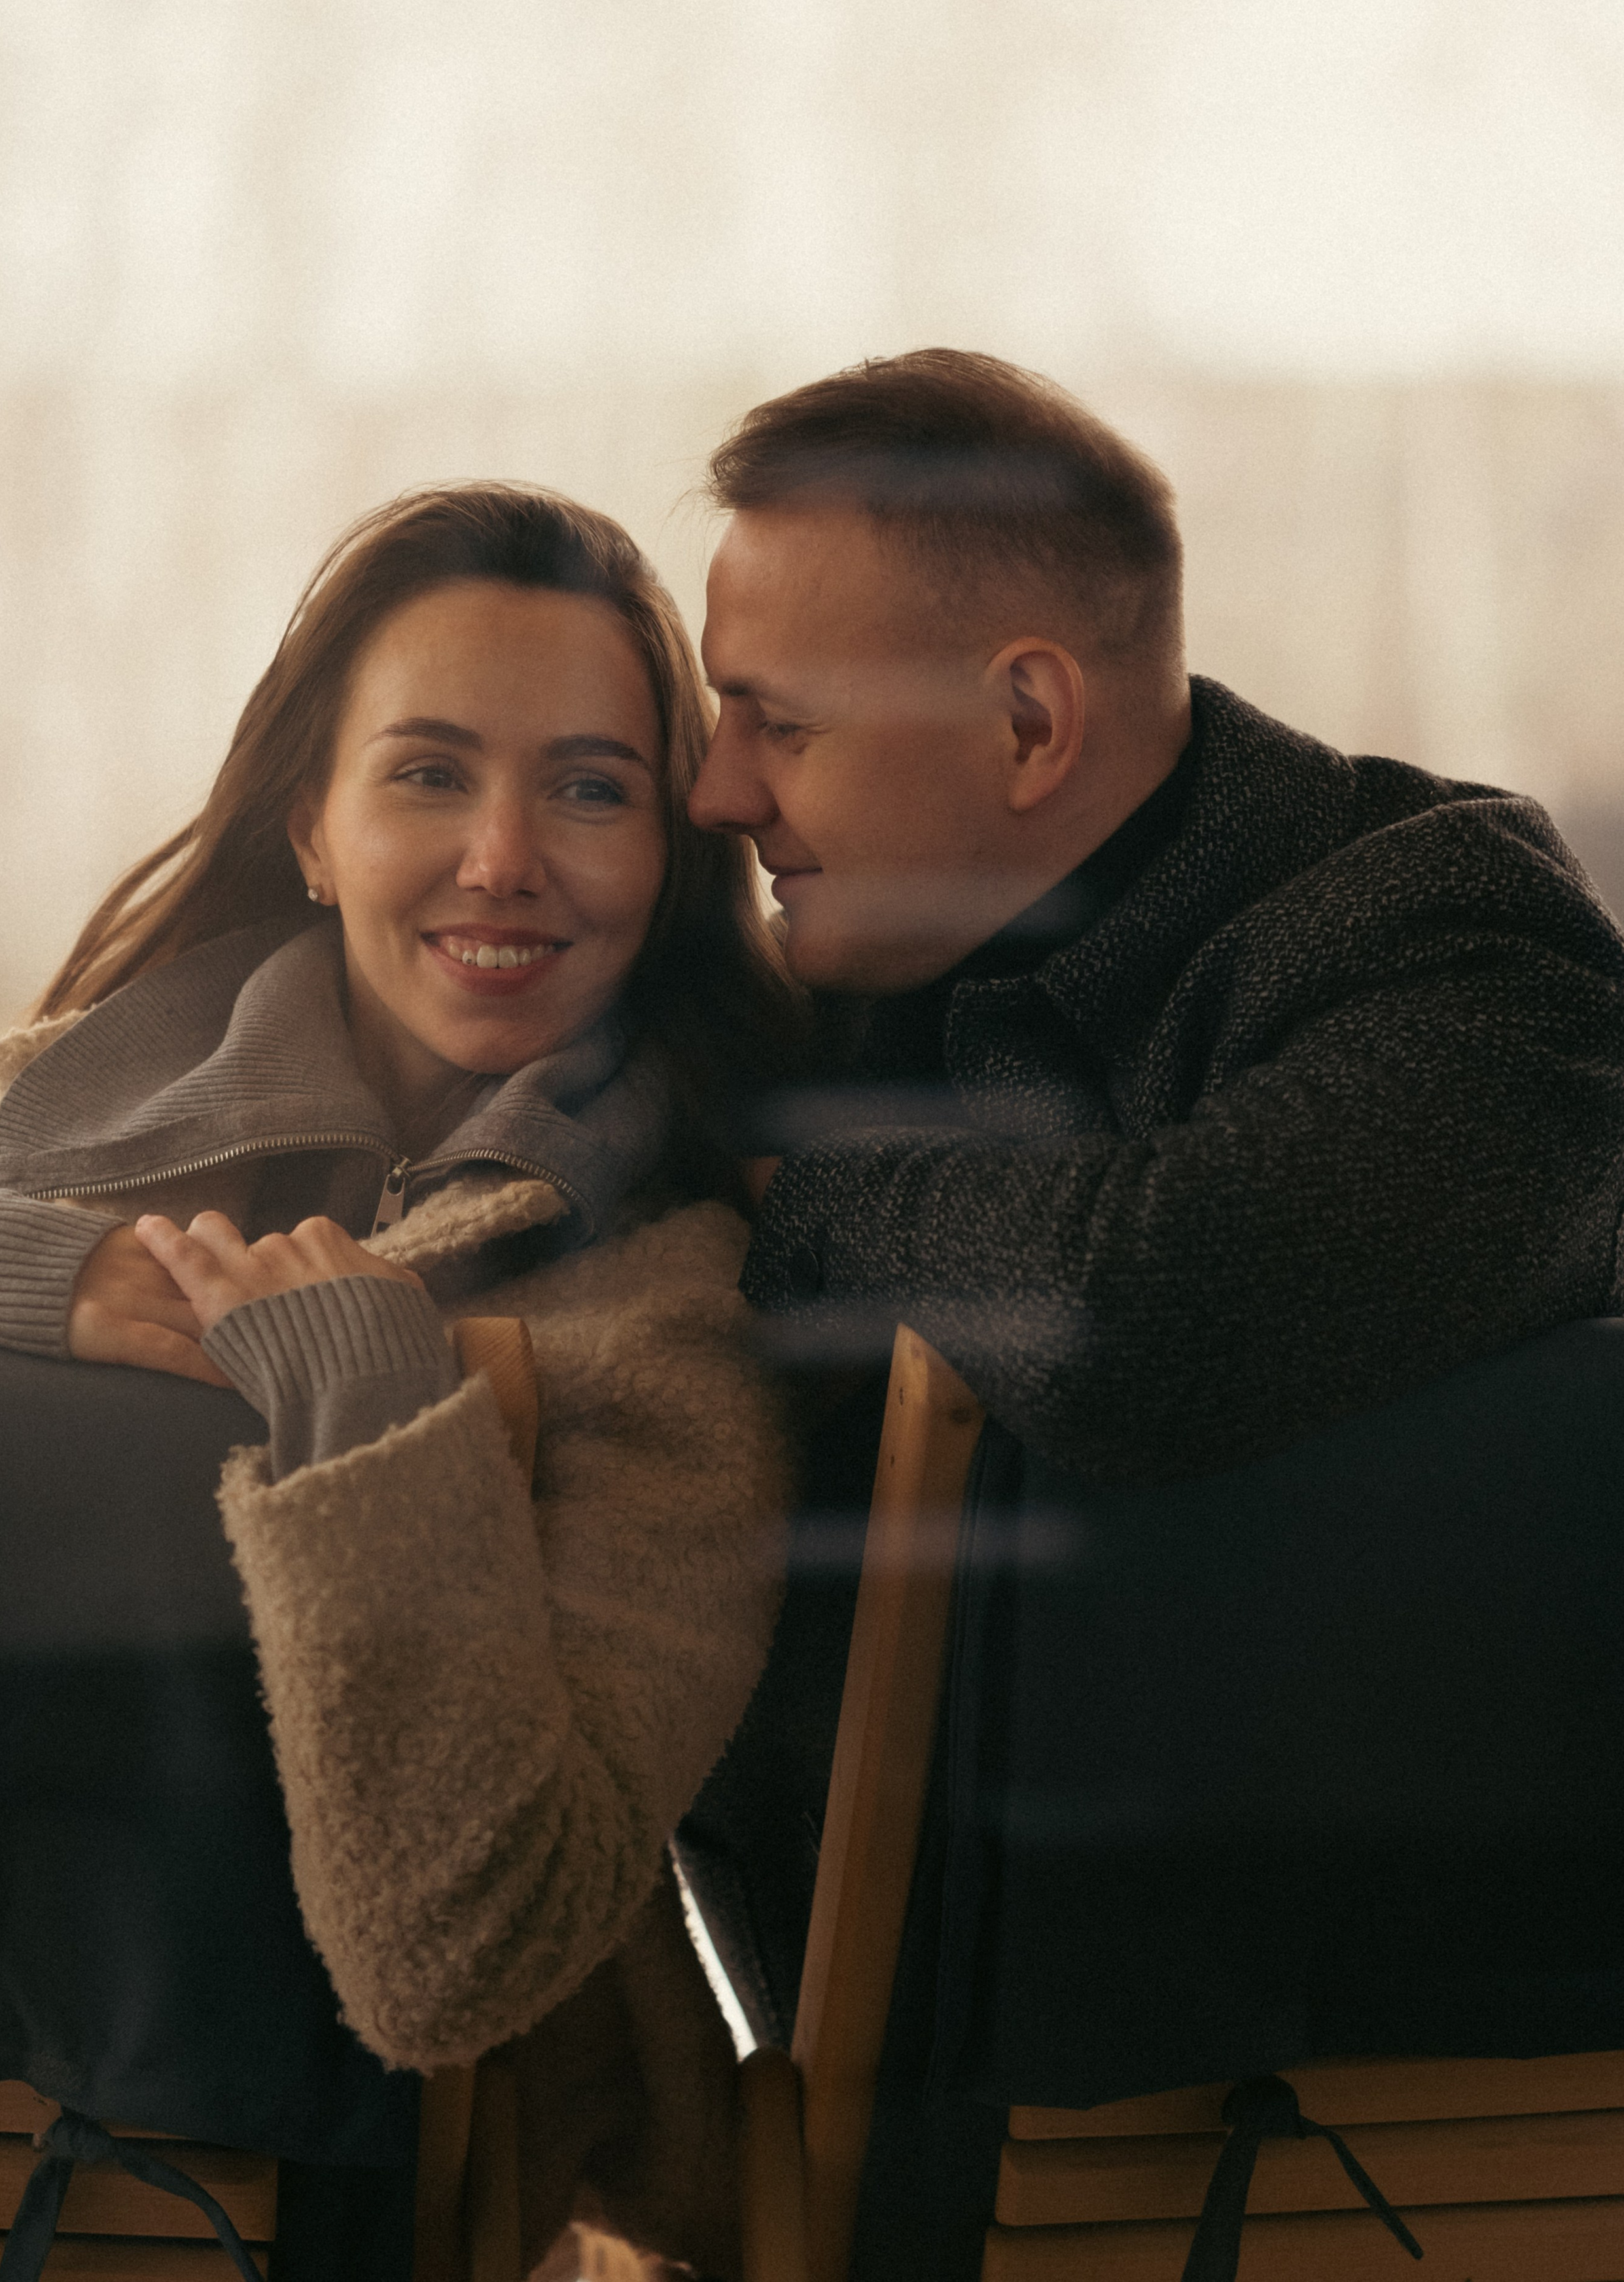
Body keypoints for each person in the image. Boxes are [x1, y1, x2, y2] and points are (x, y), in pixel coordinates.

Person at [676, 348, 1624, 2266]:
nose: (716, 788)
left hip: (1363, 2173)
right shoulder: (847, 975)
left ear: (1031, 718)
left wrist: (809, 1196)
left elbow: (1151, 1309)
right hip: (877, 2147)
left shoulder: (1454, 939)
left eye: (774, 720)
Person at [0, 481, 800, 2275]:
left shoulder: (668, 1315)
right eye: (428, 771)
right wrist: (40, 1269)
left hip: (320, 2191)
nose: (506, 854)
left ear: (670, 857)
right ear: (313, 828)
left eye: (590, 786)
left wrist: (382, 1416)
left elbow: (464, 1957)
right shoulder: (66, 1114)